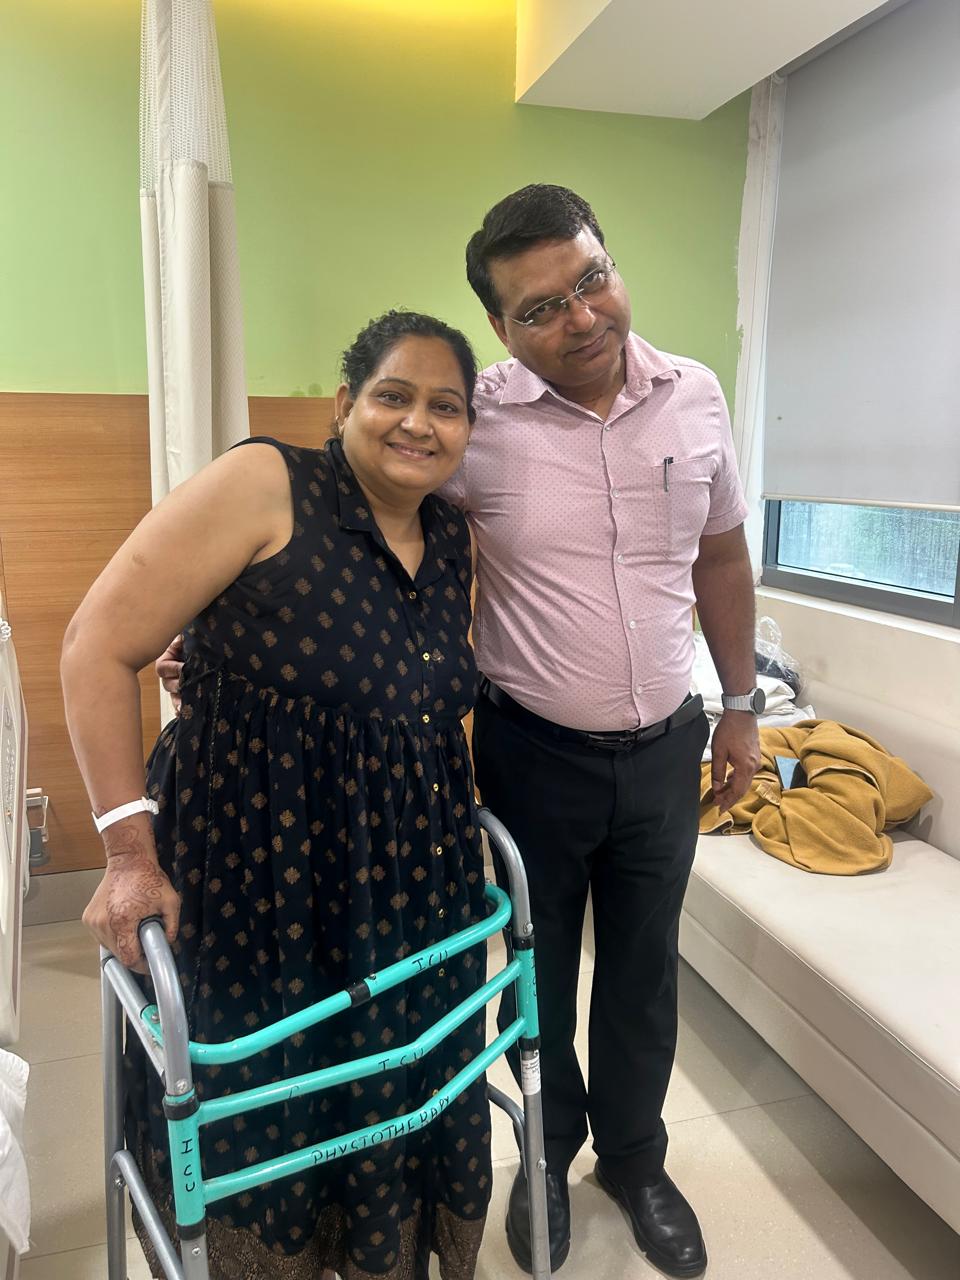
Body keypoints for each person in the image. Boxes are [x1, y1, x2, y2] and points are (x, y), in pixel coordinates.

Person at [61, 311, 494, 1280]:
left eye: (446, 407)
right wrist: (128, 854)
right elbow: (96, 646)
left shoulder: (452, 535)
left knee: (386, 1085)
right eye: (393, 396)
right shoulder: (267, 483)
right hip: (262, 872)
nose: (418, 423)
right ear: (344, 403)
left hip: (410, 886)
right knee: (267, 1094)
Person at [448, 184, 762, 1278]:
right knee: (535, 975)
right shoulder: (471, 419)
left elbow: (721, 556)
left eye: (592, 280)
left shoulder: (696, 394)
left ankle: (635, 1159)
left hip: (670, 747)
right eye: (542, 307)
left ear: (612, 267)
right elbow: (365, 534)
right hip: (532, 752)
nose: (581, 317)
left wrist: (741, 709)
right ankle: (546, 1153)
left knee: (642, 970)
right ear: (502, 327)